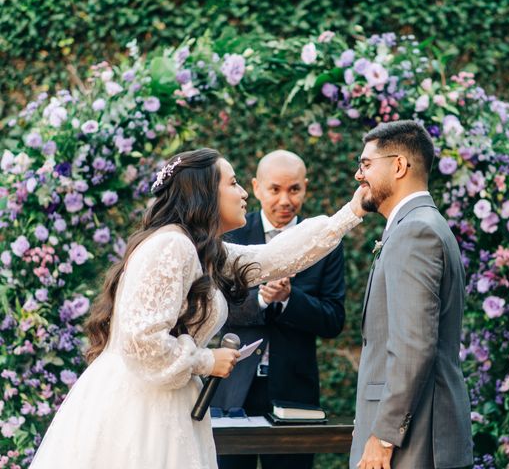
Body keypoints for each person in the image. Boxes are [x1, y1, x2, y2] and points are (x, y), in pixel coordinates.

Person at [29, 148, 365, 469]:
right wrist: (208, 360)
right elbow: (143, 343)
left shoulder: (199, 249)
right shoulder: (171, 246)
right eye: (233, 183)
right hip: (142, 409)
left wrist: (352, 212)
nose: (243, 193)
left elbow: (272, 258)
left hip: (168, 400)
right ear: (204, 192)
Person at [350, 121, 473, 469]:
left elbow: (413, 345)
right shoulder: (423, 225)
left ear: (399, 165)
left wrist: (383, 436)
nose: (359, 176)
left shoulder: (415, 232)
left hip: (414, 445)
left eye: (366, 164)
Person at [212, 150, 345, 469]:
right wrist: (261, 300)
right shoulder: (230, 235)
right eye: (275, 189)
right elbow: (214, 309)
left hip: (294, 392)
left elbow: (333, 319)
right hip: (233, 387)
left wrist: (288, 299)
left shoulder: (324, 243)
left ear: (305, 188)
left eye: (294, 189)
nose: (285, 199)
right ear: (256, 188)